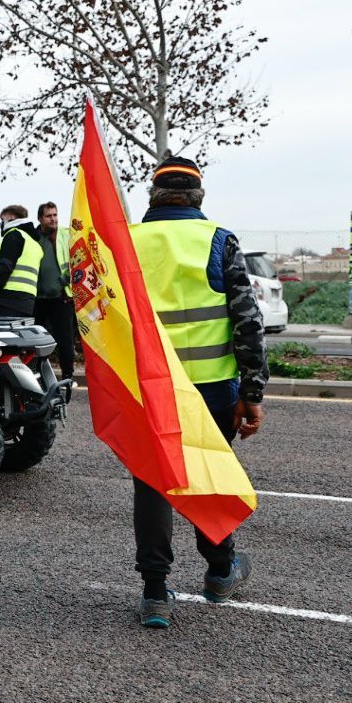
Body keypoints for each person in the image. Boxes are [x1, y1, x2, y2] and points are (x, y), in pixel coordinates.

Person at [128, 157, 266, 628]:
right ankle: (220, 570)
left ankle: (154, 594)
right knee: (207, 474)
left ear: (154, 196)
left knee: (153, 485)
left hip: (150, 390)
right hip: (211, 390)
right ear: (198, 197)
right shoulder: (219, 241)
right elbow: (248, 323)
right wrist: (254, 392)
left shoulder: (125, 243)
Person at [32, 201, 75, 377]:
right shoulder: (33, 237)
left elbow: (78, 259)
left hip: (61, 296)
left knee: (65, 340)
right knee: (34, 340)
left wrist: (66, 281)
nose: (53, 219)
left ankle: (68, 376)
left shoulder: (66, 234)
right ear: (40, 218)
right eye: (49, 216)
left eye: (55, 215)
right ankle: (35, 374)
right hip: (37, 298)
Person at [0, 204, 43, 318]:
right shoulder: (34, 243)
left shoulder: (13, 235)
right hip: (27, 302)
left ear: (11, 217)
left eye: (2, 219)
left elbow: (5, 267)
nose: (0, 223)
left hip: (6, 300)